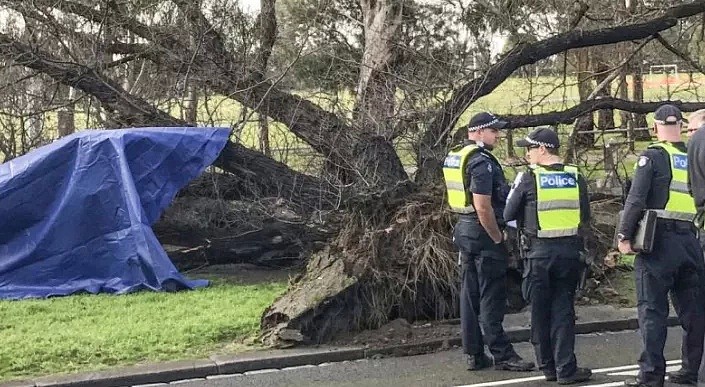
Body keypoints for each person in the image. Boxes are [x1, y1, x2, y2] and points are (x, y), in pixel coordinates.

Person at [617, 104, 705, 387]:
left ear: (654, 128)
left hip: (657, 242)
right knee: (693, 312)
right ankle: (690, 371)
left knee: (652, 310)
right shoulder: (694, 154)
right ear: (681, 126)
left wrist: (623, 236)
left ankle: (651, 375)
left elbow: (636, 199)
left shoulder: (652, 156)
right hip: (691, 239)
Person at [443, 112, 534, 372]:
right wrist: (497, 236)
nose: (498, 135)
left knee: (469, 296)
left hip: (463, 229)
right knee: (491, 297)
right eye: (494, 131)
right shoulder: (481, 162)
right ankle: (503, 354)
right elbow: (483, 205)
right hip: (484, 232)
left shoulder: (457, 156)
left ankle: (474, 353)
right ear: (479, 132)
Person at [503, 126, 592, 385]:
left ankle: (548, 367)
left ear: (542, 149)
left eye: (529, 149)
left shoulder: (528, 177)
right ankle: (566, 369)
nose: (527, 154)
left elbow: (508, 214)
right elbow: (585, 216)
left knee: (540, 312)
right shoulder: (576, 175)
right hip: (569, 254)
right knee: (563, 311)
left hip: (539, 255)